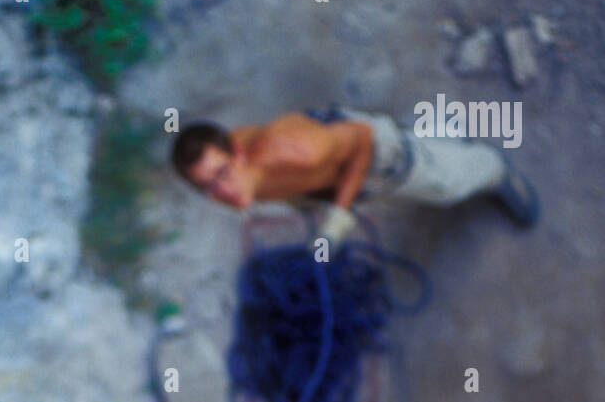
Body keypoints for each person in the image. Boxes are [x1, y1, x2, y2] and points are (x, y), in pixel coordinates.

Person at [170, 109, 539, 242]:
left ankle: (493, 169)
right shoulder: (237, 178)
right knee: (407, 180)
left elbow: (362, 136)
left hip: (373, 152)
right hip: (331, 160)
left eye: (222, 173)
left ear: (238, 153)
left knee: (443, 186)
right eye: (208, 187)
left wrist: (341, 212)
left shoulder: (295, 151)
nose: (224, 191)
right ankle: (442, 134)